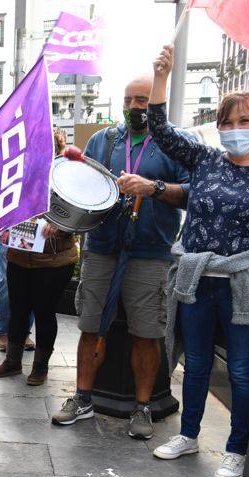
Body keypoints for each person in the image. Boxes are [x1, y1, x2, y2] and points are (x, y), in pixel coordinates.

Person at [148, 45, 249, 477]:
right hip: (197, 279)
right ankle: (189, 435)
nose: (236, 129)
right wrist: (161, 75)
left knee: (240, 369)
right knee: (195, 362)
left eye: (244, 121)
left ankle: (236, 449)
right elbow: (160, 128)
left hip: (245, 285)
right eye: (228, 122)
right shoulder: (205, 160)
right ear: (217, 127)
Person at [51, 74, 190, 440]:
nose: (133, 107)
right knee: (90, 326)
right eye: (128, 100)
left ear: (157, 101)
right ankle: (82, 398)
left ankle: (142, 406)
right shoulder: (104, 140)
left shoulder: (174, 143)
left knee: (146, 333)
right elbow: (83, 187)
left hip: (149, 252)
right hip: (102, 247)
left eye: (142, 100)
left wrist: (154, 188)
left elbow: (193, 193)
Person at [0, 130, 78, 385]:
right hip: (20, 254)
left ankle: (40, 367)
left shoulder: (67, 175)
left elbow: (79, 211)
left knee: (45, 311)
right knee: (18, 309)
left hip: (54, 259)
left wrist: (61, 225)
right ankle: (12, 362)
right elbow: (4, 207)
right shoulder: (19, 174)